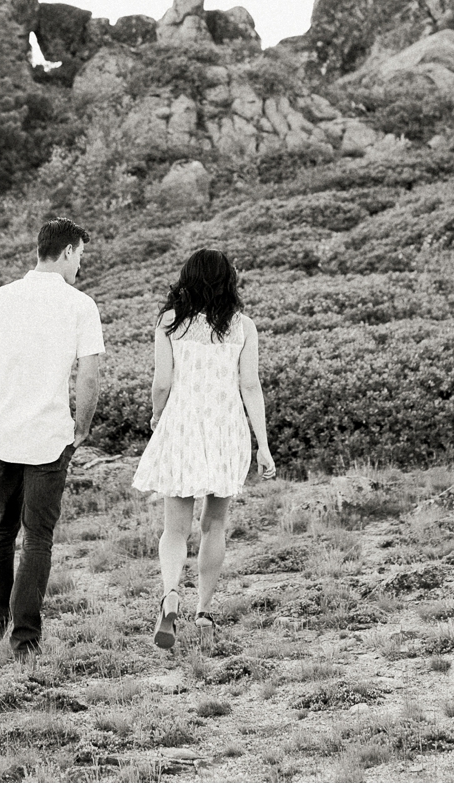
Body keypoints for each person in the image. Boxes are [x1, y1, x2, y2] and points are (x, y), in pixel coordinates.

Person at [0, 217, 105, 659]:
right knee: (37, 537)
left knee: (1, 527)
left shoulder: (0, 298)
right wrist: (82, 425)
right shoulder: (80, 305)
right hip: (48, 435)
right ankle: (25, 642)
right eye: (79, 255)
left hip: (5, 435)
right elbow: (91, 374)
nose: (80, 264)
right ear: (65, 253)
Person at [131, 248, 274, 648]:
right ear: (229, 280)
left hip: (182, 427)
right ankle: (203, 611)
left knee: (174, 528)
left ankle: (171, 593)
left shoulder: (170, 322)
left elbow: (162, 383)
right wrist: (262, 445)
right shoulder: (243, 326)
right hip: (226, 430)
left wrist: (157, 415)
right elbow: (250, 386)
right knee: (215, 525)